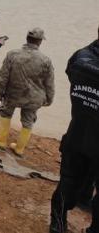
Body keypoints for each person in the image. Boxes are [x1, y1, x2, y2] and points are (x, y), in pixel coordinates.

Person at [49, 26, 99, 233]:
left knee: (68, 181)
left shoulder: (80, 58)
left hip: (77, 133)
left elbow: (70, 72)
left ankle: (57, 224)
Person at [0, 27, 54, 156]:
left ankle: (1, 141)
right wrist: (49, 99)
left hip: (13, 93)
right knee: (28, 120)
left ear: (27, 38)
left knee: (6, 113)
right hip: (34, 97)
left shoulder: (13, 54)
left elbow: (3, 76)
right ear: (40, 42)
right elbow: (49, 83)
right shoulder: (46, 60)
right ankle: (19, 148)